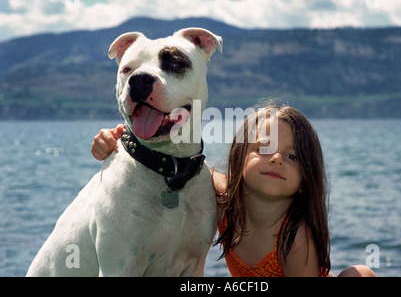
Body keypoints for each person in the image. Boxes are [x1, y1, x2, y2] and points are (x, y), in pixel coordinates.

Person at [91, 104, 376, 277]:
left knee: (358, 274)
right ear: (239, 157)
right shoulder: (222, 197)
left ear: (306, 179)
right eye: (264, 149)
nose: (276, 159)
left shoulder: (294, 236)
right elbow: (176, 165)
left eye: (293, 157)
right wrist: (118, 141)